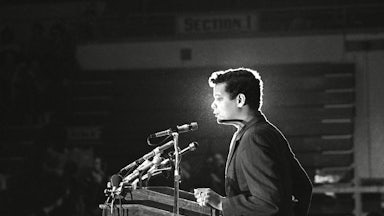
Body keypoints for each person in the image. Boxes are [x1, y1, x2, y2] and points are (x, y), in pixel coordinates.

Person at [194, 68, 312, 216]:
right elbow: (304, 187)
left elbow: (267, 204)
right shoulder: (265, 132)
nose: (213, 105)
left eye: (219, 98)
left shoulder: (254, 137)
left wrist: (220, 203)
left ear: (240, 100)